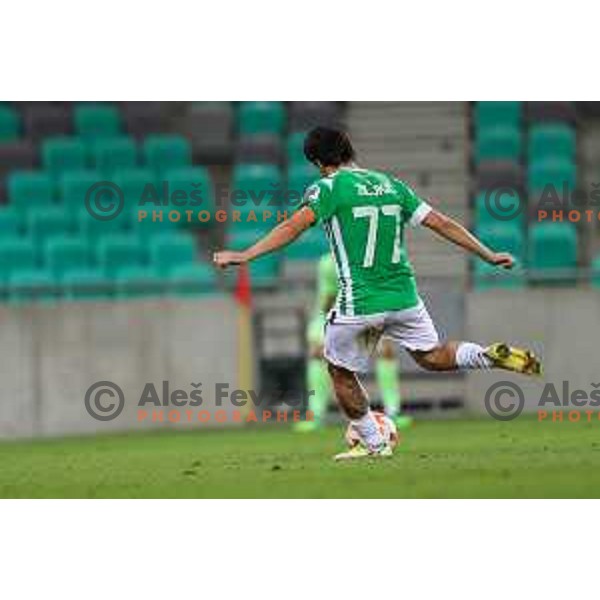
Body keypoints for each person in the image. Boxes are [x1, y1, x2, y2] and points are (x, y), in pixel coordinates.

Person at [214, 127, 542, 461]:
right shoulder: (392, 185)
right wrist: (487, 254)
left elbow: (292, 227)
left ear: (316, 161)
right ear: (348, 150)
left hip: (361, 301)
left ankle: (374, 443)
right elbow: (441, 222)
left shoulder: (327, 188)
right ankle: (486, 355)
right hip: (404, 297)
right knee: (432, 355)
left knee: (339, 371)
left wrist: (245, 255)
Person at [294, 253, 411, 433]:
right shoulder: (328, 264)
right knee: (318, 352)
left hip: (373, 311)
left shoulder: (377, 257)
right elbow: (328, 301)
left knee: (386, 350)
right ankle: (317, 415)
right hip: (335, 314)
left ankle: (393, 412)